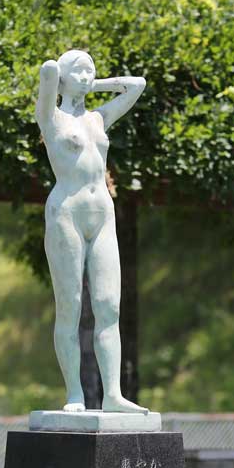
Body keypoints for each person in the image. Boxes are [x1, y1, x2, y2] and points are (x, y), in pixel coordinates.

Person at [35, 50, 147, 413]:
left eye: (90, 70)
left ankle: (112, 394)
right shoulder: (51, 118)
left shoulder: (99, 118)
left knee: (108, 306)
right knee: (70, 306)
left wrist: (92, 83)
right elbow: (48, 72)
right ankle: (75, 394)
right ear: (64, 78)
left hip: (103, 215)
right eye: (79, 71)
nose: (85, 76)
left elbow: (137, 85)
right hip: (67, 212)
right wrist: (62, 80)